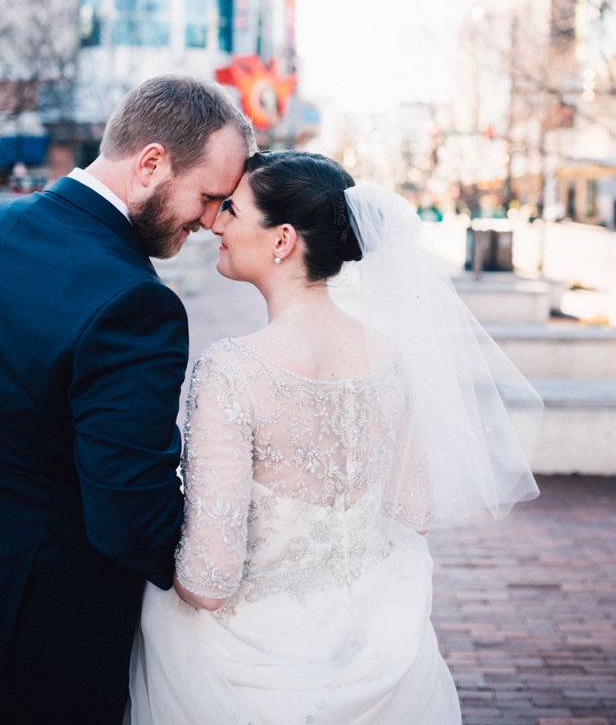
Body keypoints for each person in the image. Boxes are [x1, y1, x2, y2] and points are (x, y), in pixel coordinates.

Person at [128, 151, 541, 724]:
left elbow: (210, 580)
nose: (216, 223)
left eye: (233, 211)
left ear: (283, 240)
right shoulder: (388, 360)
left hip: (245, 673)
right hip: (373, 646)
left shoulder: (230, 372)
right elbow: (410, 516)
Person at [0, 75, 252, 723]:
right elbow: (129, 516)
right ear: (151, 164)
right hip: (44, 633)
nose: (209, 220)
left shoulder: (7, 225)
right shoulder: (133, 303)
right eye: (208, 196)